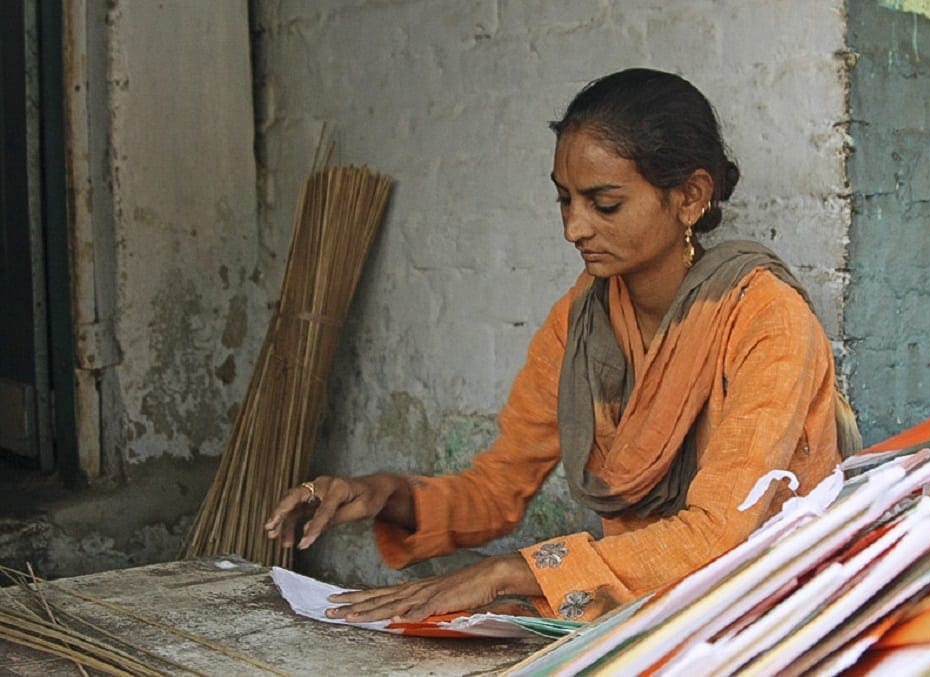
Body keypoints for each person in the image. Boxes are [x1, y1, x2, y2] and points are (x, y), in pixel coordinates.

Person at [264, 68, 852, 623]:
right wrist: (380, 492)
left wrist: (514, 572)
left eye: (605, 204)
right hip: (635, 617)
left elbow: (721, 531)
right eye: (564, 200)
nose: (575, 228)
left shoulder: (767, 318)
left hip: (770, 614)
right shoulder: (584, 319)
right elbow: (497, 490)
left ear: (691, 197)